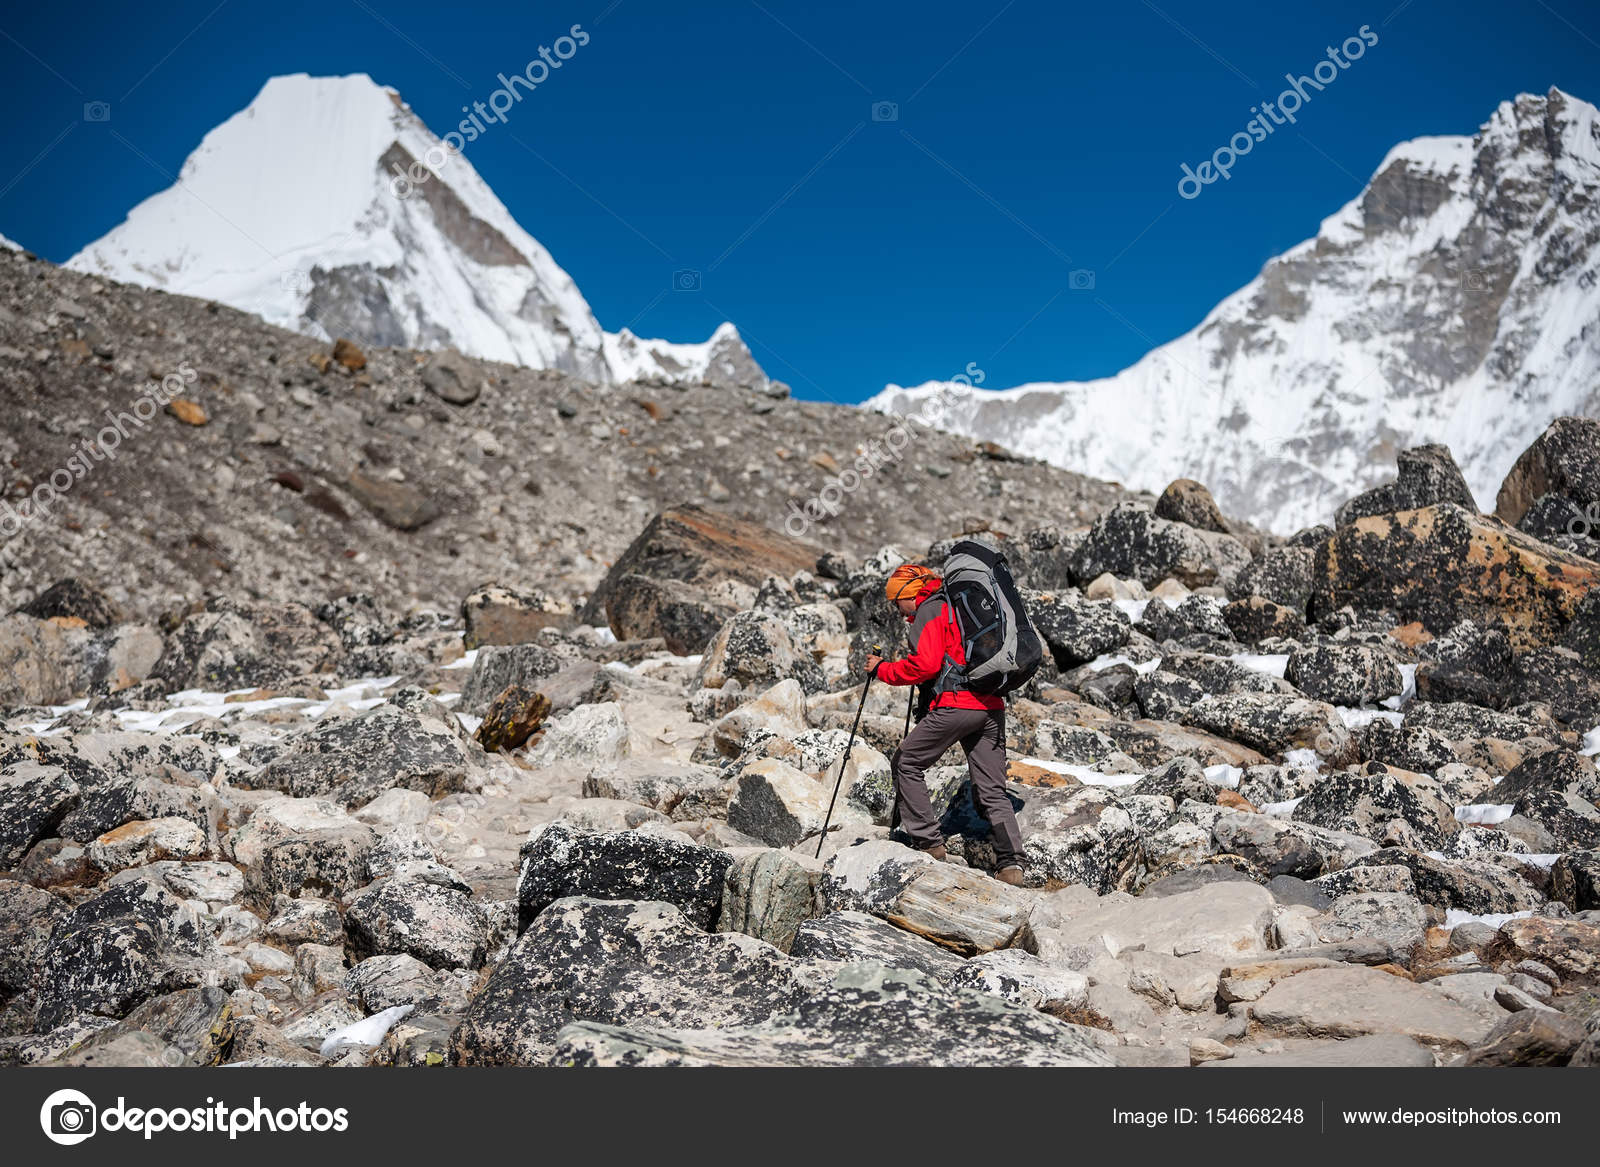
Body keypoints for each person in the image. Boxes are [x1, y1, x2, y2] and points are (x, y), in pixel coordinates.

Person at [864, 563, 1026, 885]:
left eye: (896, 602)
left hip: (957, 704)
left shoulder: (930, 609)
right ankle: (1011, 866)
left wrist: (883, 669)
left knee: (907, 762)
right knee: (992, 790)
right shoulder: (958, 605)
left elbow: (925, 666)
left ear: (909, 594)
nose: (897, 610)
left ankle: (929, 843)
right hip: (991, 705)